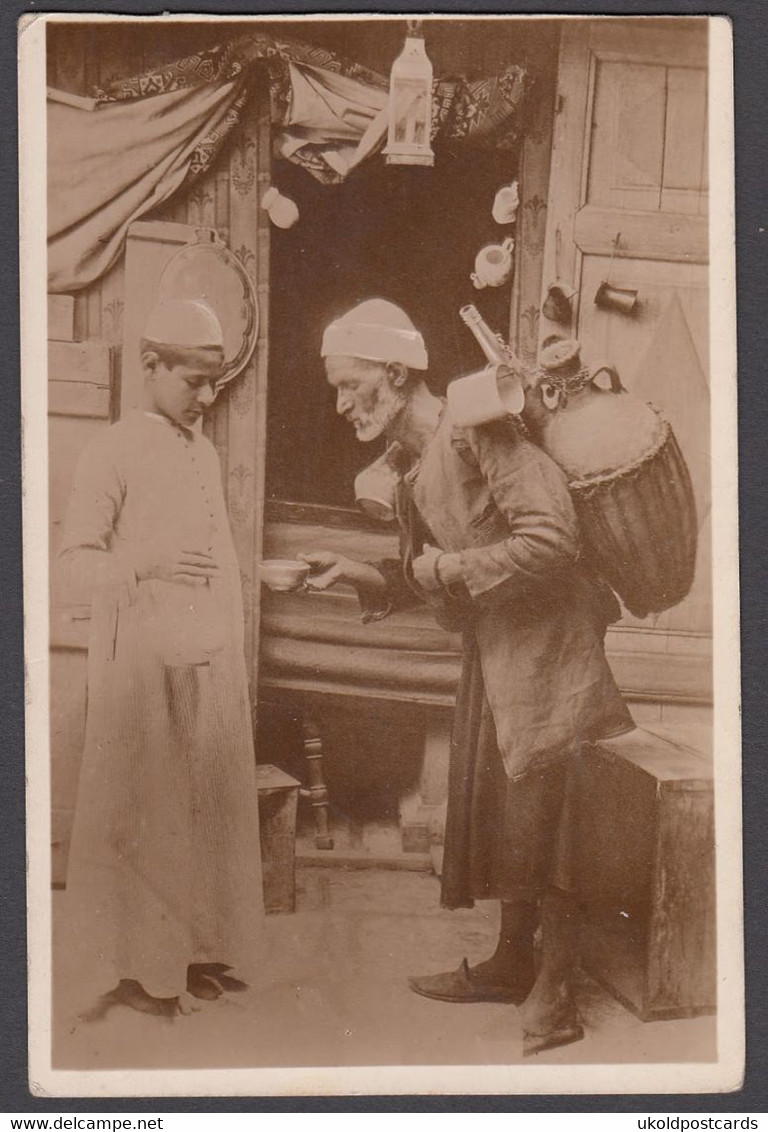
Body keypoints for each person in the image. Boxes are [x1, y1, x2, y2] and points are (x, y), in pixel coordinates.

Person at [301, 298, 634, 1055]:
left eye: (352, 386)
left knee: (552, 815)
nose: (342, 404)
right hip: (498, 647)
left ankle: (557, 991)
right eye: (336, 390)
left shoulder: (475, 423)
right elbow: (427, 577)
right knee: (507, 804)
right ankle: (513, 960)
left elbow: (551, 537)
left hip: (552, 648)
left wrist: (446, 565)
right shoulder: (414, 465)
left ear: (394, 374)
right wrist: (359, 571)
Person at [59, 298, 264, 1018]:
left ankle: (192, 951)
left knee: (203, 801)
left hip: (203, 661)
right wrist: (142, 561)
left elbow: (208, 553)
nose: (208, 399)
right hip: (142, 665)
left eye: (216, 383)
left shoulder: (202, 449)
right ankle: (143, 969)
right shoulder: (111, 450)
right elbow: (72, 565)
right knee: (148, 807)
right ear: (150, 367)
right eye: (194, 382)